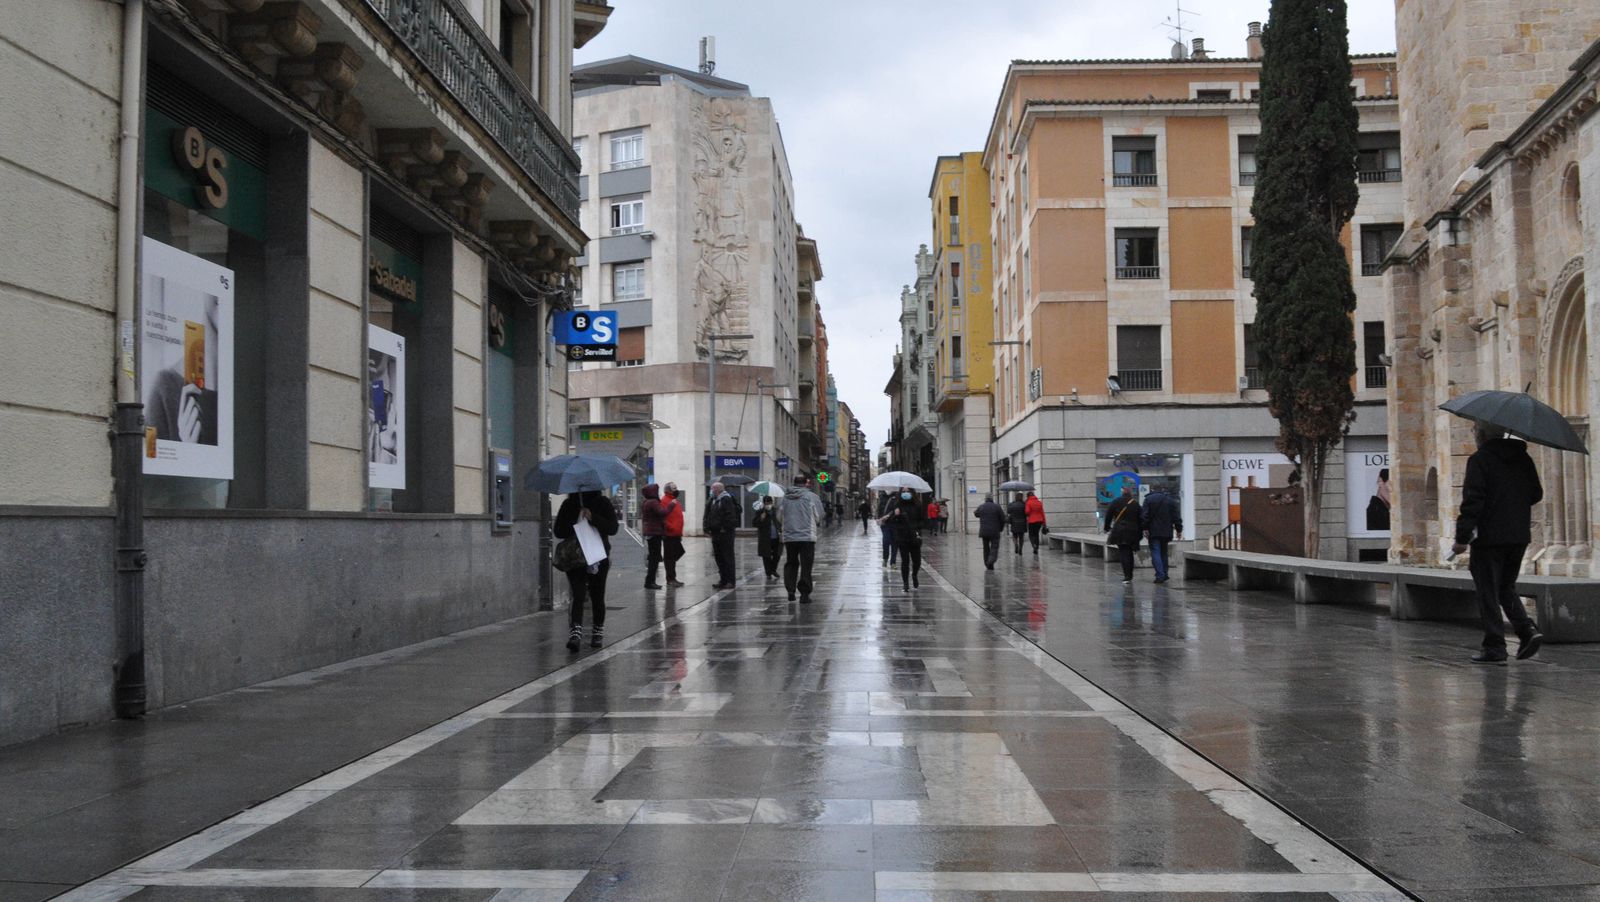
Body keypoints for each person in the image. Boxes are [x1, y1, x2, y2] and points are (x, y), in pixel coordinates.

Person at [1453, 423, 1545, 664]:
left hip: (1489, 538)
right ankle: (1526, 631)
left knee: (1488, 591)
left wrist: (1461, 538)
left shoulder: (1479, 460)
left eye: (1474, 432)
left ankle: (1494, 646)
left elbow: (1473, 501)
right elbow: (1536, 493)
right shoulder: (1523, 458)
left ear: (1481, 435)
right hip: (1518, 535)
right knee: (1505, 586)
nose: (1474, 436)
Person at [553, 489, 619, 651]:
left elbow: (613, 528)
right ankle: (575, 634)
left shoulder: (603, 503)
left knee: (597, 595)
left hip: (598, 556)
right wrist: (576, 522)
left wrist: (593, 518)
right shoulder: (569, 504)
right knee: (578, 594)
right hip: (575, 557)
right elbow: (558, 531)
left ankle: (598, 632)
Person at [781, 476, 824, 602]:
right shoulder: (812, 497)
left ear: (793, 483)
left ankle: (790, 590)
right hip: (807, 537)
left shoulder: (784, 498)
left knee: (791, 563)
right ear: (806, 483)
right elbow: (819, 516)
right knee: (806, 565)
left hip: (790, 537)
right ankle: (804, 594)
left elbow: (779, 516)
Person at [883, 490, 926, 590]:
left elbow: (923, 521)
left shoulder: (918, 505)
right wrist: (897, 516)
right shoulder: (897, 505)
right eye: (904, 491)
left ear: (912, 493)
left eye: (908, 491)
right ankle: (905, 584)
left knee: (917, 562)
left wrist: (916, 528)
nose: (905, 493)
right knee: (905, 562)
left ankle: (914, 575)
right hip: (902, 537)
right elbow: (890, 520)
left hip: (915, 537)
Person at [1140, 485, 1182, 584]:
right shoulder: (1170, 500)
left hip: (1153, 531)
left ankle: (1160, 575)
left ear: (1152, 490)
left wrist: (1145, 528)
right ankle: (1165, 573)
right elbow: (1176, 517)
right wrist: (1179, 530)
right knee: (1164, 552)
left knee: (1155, 552)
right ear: (1162, 490)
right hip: (1167, 531)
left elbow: (1144, 516)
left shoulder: (1148, 499)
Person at [703, 481, 741, 589]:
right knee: (719, 558)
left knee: (727, 558)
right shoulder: (714, 500)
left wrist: (724, 528)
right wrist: (707, 528)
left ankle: (730, 581)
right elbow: (708, 515)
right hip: (716, 533)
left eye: (713, 489)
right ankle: (723, 580)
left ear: (719, 490)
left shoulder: (726, 499)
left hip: (725, 533)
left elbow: (730, 516)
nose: (712, 491)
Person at [1105, 483, 1142, 584]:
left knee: (1124, 552)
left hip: (1120, 531)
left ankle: (1127, 576)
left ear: (1122, 492)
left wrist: (1107, 528)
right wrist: (1141, 531)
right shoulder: (1135, 503)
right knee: (1130, 552)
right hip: (1133, 531)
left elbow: (1108, 515)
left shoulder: (1116, 502)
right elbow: (1141, 518)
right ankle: (1130, 574)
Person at [640, 484, 673, 590]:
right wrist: (671, 505)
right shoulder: (653, 502)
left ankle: (650, 580)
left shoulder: (646, 501)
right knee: (654, 558)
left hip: (650, 532)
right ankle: (650, 581)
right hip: (655, 532)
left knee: (653, 557)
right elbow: (662, 512)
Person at [661, 482, 686, 587]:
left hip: (676, 533)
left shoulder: (675, 501)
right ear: (668, 491)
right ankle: (670, 578)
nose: (676, 490)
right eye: (674, 488)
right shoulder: (664, 501)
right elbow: (662, 517)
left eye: (676, 487)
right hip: (670, 534)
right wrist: (671, 527)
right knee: (670, 557)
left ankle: (673, 577)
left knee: (676, 554)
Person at [753, 495, 782, 580]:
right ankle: (768, 572)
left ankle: (773, 569)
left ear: (772, 503)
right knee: (766, 556)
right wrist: (761, 519)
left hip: (777, 537)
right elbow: (755, 523)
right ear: (764, 503)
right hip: (765, 538)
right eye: (766, 503)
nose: (768, 504)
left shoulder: (776, 511)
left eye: (769, 502)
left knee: (777, 555)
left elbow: (781, 521)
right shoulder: (760, 512)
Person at [974, 493, 1006, 570]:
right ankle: (991, 561)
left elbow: (976, 513)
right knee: (994, 547)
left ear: (985, 499)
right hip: (995, 531)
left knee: (986, 548)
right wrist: (1001, 528)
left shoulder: (981, 507)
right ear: (992, 499)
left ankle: (987, 563)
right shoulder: (997, 507)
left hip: (984, 531)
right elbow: (1003, 519)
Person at [877, 491, 899, 568]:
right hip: (885, 524)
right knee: (886, 541)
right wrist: (880, 518)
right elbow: (879, 510)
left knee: (895, 543)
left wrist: (893, 514)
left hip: (895, 523)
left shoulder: (897, 498)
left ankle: (893, 562)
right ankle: (885, 558)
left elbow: (900, 510)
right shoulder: (882, 497)